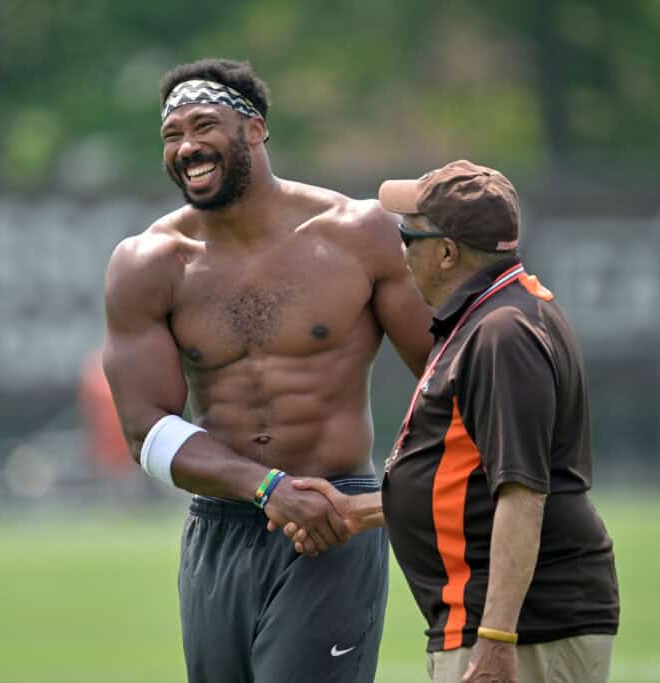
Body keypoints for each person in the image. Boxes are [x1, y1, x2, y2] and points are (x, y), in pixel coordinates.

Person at [101, 58, 432, 683]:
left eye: (204, 125)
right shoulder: (149, 262)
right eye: (172, 135)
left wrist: (394, 497)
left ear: (254, 130)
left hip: (335, 518)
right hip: (220, 529)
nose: (188, 146)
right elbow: (146, 431)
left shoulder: (358, 234)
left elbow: (445, 379)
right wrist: (266, 487)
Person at [280, 160, 620, 682]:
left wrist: (498, 638)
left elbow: (522, 495)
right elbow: (463, 485)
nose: (400, 252)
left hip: (524, 627)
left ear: (446, 252)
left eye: (407, 237)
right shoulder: (493, 316)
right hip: (499, 620)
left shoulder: (501, 333)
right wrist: (355, 512)